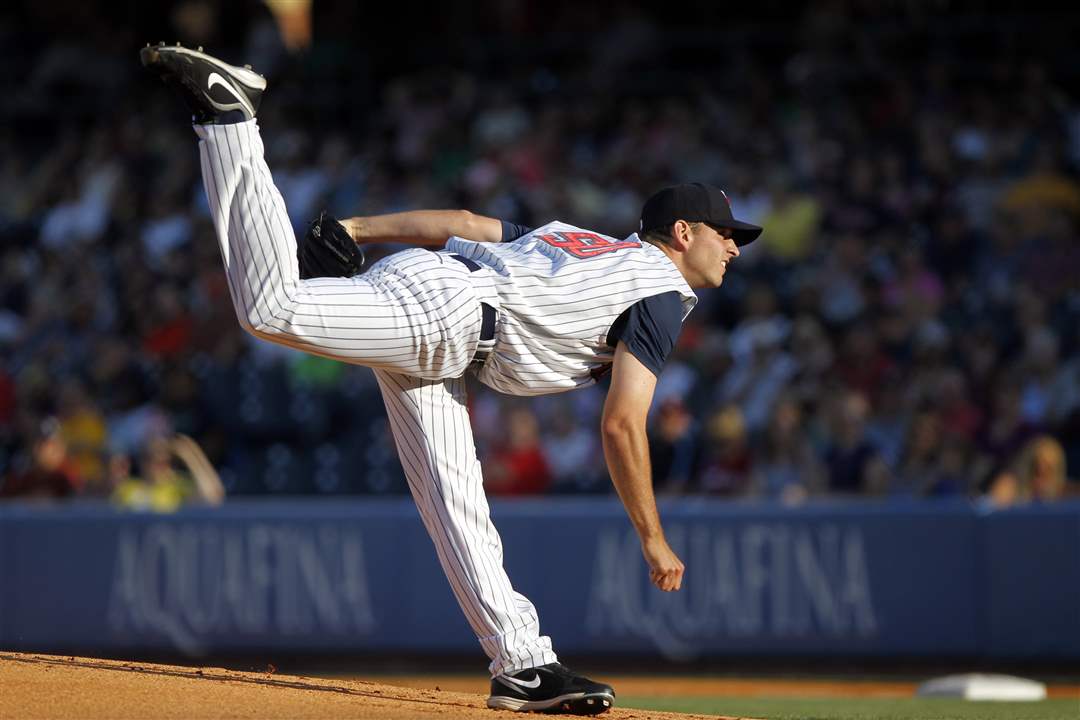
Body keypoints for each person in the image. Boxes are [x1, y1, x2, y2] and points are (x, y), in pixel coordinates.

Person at [140, 43, 761, 714]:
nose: (733, 245)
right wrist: (651, 535)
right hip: (452, 320)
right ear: (682, 231)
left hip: (445, 322)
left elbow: (461, 225)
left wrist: (356, 228)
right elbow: (621, 422)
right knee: (271, 308)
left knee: (454, 503)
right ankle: (229, 121)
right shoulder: (661, 288)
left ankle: (523, 663)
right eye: (724, 232)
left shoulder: (576, 241)